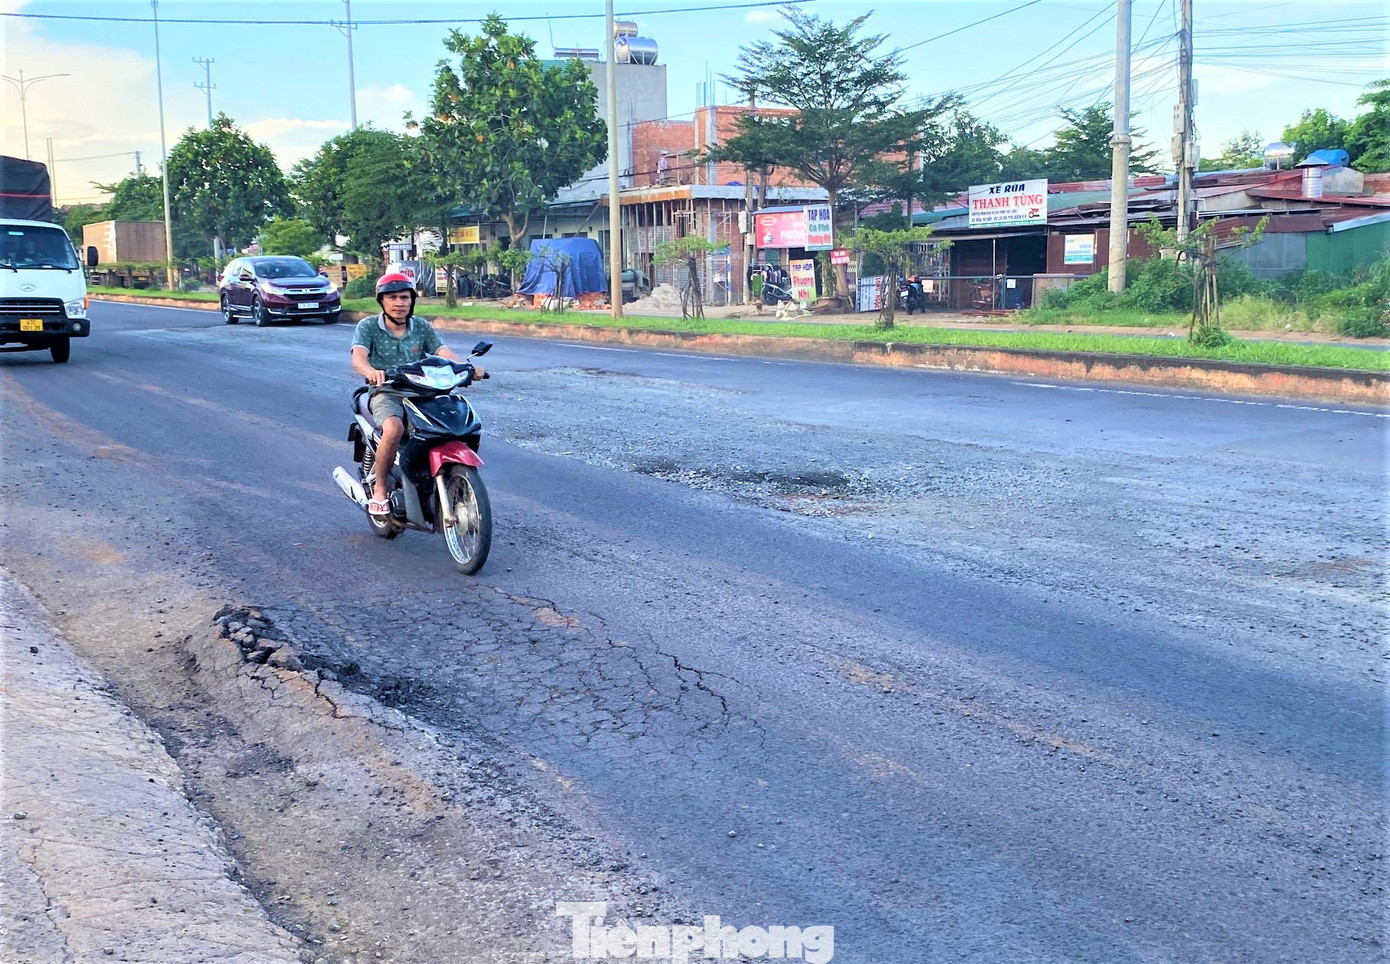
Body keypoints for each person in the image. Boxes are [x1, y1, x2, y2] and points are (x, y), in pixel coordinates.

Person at [350, 272, 485, 518]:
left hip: (423, 391)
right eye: (392, 297)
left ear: (412, 300)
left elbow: (441, 351)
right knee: (393, 429)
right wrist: (371, 372)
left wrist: (465, 368)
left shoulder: (421, 326)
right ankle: (380, 490)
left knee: (456, 424)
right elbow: (358, 357)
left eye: (404, 297)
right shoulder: (368, 326)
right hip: (386, 390)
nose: (399, 303)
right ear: (382, 301)